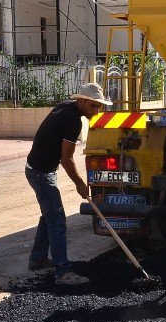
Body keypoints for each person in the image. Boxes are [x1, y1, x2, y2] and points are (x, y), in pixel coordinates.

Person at [25, 82, 111, 282]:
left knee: (49, 215)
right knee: (57, 219)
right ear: (81, 101)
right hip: (41, 173)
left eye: (99, 107)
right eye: (94, 106)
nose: (96, 111)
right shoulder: (73, 121)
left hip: (37, 169)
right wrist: (80, 184)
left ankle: (37, 259)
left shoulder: (66, 107)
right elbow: (67, 159)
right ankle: (62, 271)